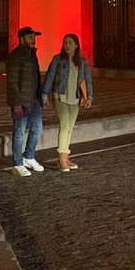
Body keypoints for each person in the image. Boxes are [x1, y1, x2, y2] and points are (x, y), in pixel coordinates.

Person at [40, 34, 94, 172]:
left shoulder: (82, 62)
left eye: (70, 43)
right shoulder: (57, 60)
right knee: (64, 126)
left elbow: (87, 80)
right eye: (65, 43)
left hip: (75, 98)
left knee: (70, 128)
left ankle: (65, 156)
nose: (67, 45)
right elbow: (50, 76)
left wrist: (89, 97)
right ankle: (62, 159)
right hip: (60, 96)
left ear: (76, 45)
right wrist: (45, 93)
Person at [6, 26, 44, 177]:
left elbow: (35, 78)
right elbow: (12, 81)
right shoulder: (15, 56)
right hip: (21, 101)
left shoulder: (32, 55)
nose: (33, 39)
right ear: (21, 39)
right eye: (30, 37)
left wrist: (41, 96)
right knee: (19, 132)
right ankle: (17, 163)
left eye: (34, 36)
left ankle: (29, 156)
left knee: (37, 129)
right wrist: (16, 102)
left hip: (34, 100)